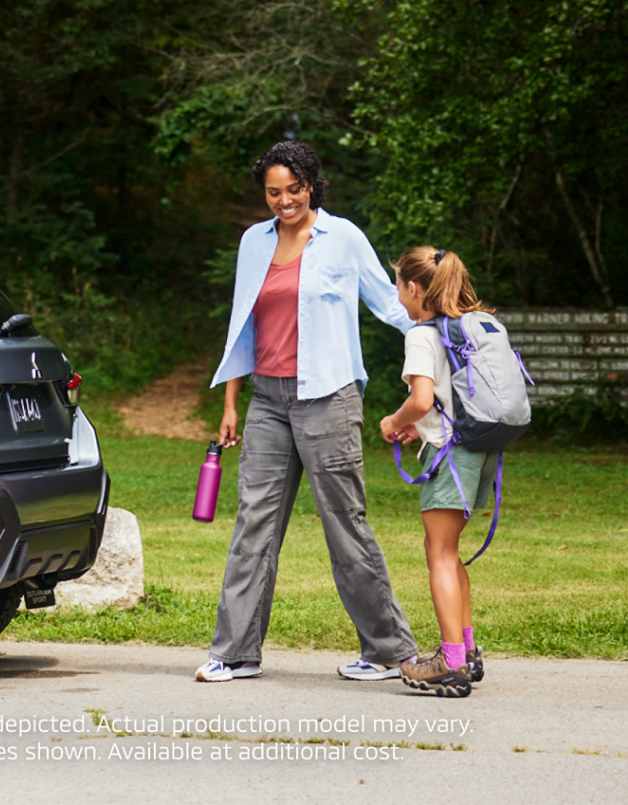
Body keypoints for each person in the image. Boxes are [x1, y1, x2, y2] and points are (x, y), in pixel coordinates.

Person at [195, 140, 418, 683]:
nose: (284, 200)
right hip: (267, 402)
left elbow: (392, 305)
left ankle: (388, 650)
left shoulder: (342, 238)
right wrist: (230, 400)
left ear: (311, 185)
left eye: (294, 189)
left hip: (329, 397)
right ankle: (237, 651)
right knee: (254, 525)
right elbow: (241, 325)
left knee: (345, 525)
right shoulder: (254, 242)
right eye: (274, 192)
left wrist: (442, 342)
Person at [379, 246, 495, 698]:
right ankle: (465, 649)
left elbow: (423, 399)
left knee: (440, 553)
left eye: (398, 287)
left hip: (451, 453)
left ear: (413, 287)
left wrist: (395, 420)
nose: (399, 297)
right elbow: (449, 399)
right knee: (449, 549)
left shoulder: (423, 334)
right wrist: (420, 426)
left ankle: (449, 661)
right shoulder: (469, 326)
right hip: (480, 450)